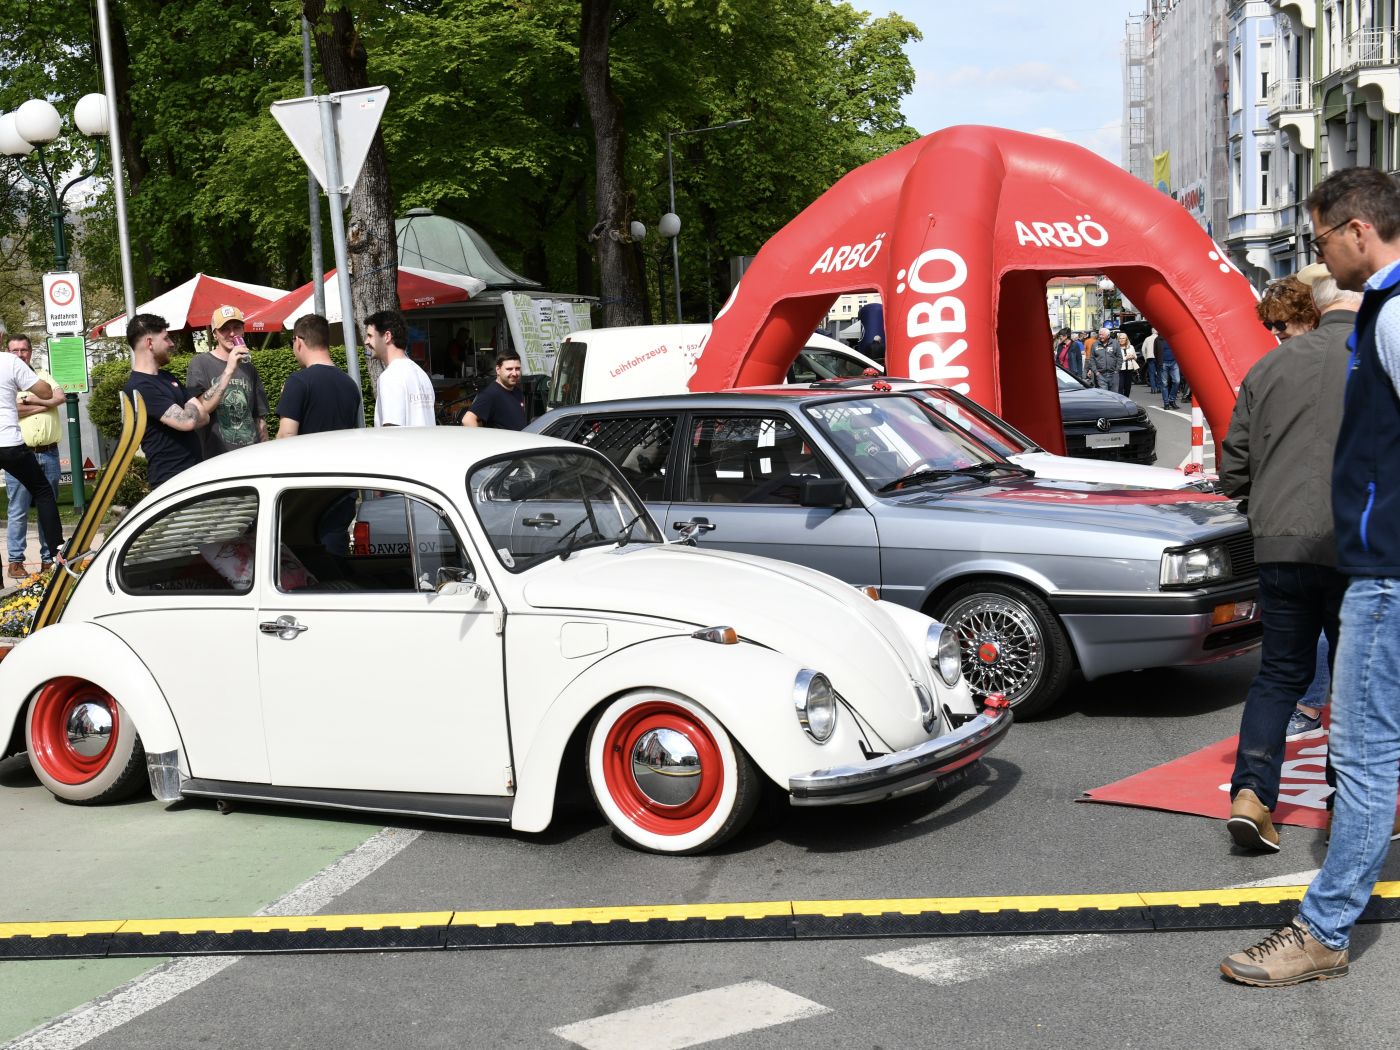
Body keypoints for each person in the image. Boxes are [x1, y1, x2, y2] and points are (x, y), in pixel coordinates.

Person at [1222, 167, 1400, 986]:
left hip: (1378, 564)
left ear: (1359, 230)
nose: (1318, 252)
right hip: (1364, 557)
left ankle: (1324, 931)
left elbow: (1237, 461)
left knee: (1360, 751)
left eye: (1321, 237)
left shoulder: (1390, 314)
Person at [1217, 259, 1357, 855]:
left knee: (1278, 673)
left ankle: (1251, 795)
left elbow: (1233, 468)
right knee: (1356, 677)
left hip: (1278, 542)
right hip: (1356, 545)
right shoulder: (1379, 358)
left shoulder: (1268, 366)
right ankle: (1351, 801)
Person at [122, 313, 247, 487]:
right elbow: (188, 421)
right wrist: (191, 406)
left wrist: (190, 409)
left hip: (192, 475)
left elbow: (204, 416)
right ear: (149, 343)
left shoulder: (167, 377)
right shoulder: (139, 387)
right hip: (169, 482)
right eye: (166, 338)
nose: (171, 344)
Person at [0, 333, 63, 575]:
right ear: (2, 338)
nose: (19, 354)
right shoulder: (10, 362)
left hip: (38, 448)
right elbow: (48, 393)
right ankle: (57, 553)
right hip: (10, 443)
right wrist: (31, 393)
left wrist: (26, 401)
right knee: (43, 493)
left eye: (23, 350)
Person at [185, 306, 269, 456]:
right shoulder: (200, 363)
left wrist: (264, 450)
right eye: (224, 329)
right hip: (218, 456)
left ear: (243, 331)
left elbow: (259, 419)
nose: (231, 333)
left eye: (236, 327)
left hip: (251, 453)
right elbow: (199, 410)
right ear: (215, 334)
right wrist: (229, 369)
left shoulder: (248, 366)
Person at [276, 314, 362, 438]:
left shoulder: (298, 381)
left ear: (298, 341)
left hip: (309, 451)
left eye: (292, 342)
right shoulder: (350, 384)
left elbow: (286, 435)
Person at [364, 309, 435, 427]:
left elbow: (392, 430)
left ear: (387, 336)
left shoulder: (390, 377)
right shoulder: (421, 374)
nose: (366, 341)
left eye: (370, 336)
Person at [462, 349, 526, 430]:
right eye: (509, 369)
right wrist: (482, 438)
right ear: (498, 370)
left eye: (517, 368)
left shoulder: (517, 391)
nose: (514, 373)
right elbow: (467, 420)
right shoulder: (491, 394)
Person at [1158, 336, 1181, 410]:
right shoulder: (1158, 339)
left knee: (1177, 381)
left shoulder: (1174, 337)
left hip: (1174, 362)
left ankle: (1171, 400)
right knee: (1164, 384)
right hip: (1163, 363)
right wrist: (1159, 363)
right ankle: (1166, 403)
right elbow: (1156, 352)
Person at [1115, 330, 1138, 395]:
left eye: (1123, 338)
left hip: (1129, 369)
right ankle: (1121, 399)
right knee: (1120, 386)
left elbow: (1136, 357)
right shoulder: (1116, 348)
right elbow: (1115, 359)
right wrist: (1125, 358)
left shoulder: (1131, 347)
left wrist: (1133, 356)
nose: (1121, 340)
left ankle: (1126, 398)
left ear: (1126, 339)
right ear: (1118, 339)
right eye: (1120, 338)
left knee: (1128, 387)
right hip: (1120, 370)